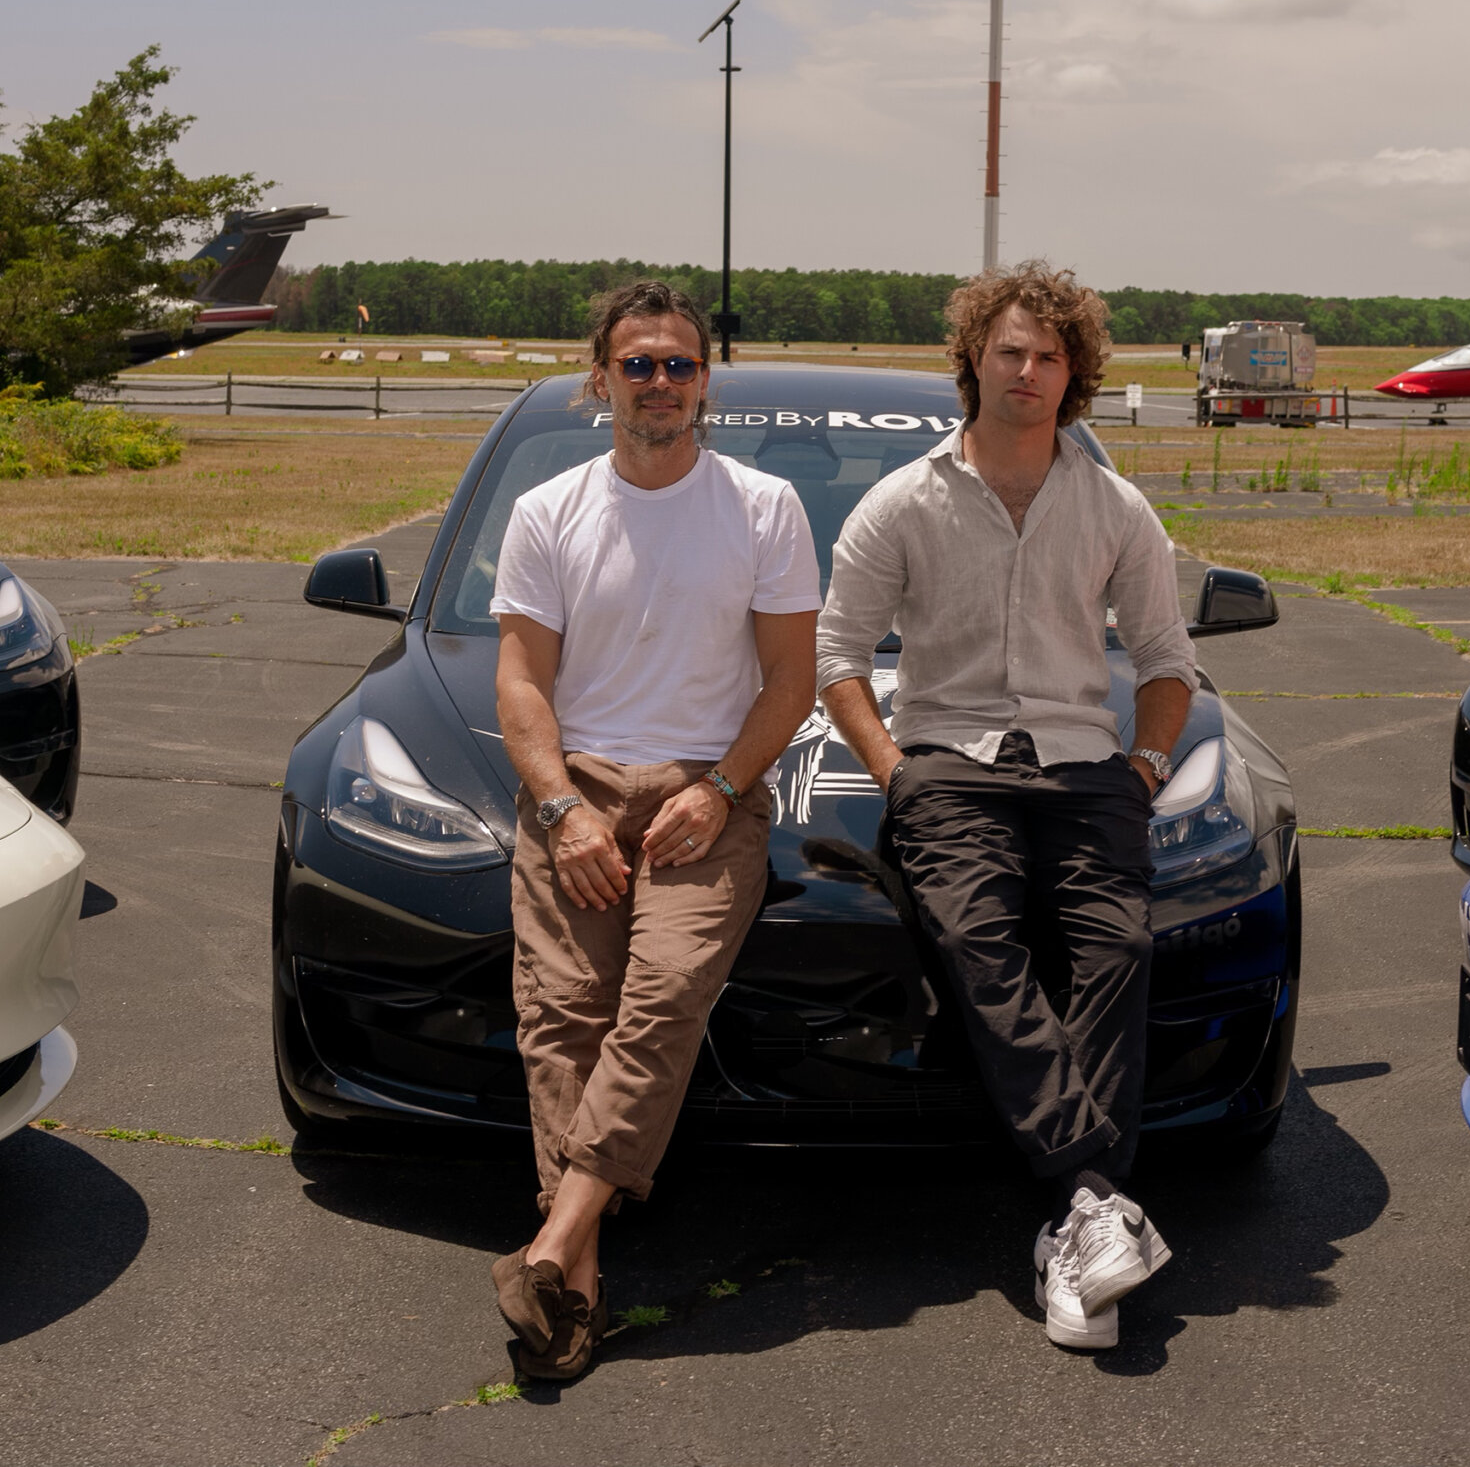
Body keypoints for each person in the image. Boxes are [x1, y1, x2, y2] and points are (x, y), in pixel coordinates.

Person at [815, 260, 1197, 1352]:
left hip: (1084, 767)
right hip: (948, 762)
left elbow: (1166, 658)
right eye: (1008, 351)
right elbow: (837, 654)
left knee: (1117, 945)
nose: (1025, 370)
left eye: (1047, 355)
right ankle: (1094, 1199)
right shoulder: (901, 500)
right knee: (978, 943)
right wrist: (895, 768)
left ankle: (1077, 1212)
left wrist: (1148, 760)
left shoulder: (1115, 505)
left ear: (1071, 375)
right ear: (972, 361)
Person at [487, 280, 821, 1381]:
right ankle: (572, 1290)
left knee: (663, 995)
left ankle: (545, 1241)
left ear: (704, 382)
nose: (661, 382)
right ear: (602, 381)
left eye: (680, 364)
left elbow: (788, 680)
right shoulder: (547, 511)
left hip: (702, 797)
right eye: (639, 364)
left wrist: (720, 789)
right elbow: (522, 684)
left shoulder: (764, 507)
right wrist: (562, 808)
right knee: (563, 1018)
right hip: (576, 792)